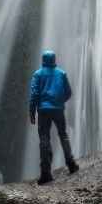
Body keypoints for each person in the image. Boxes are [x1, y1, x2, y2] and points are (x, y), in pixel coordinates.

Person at [28, 49, 79, 184]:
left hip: (43, 110)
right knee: (63, 135)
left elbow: (34, 94)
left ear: (43, 60)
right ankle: (71, 164)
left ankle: (46, 172)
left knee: (44, 138)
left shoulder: (38, 74)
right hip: (58, 110)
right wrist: (60, 101)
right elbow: (68, 92)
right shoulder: (61, 73)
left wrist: (32, 111)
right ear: (54, 60)